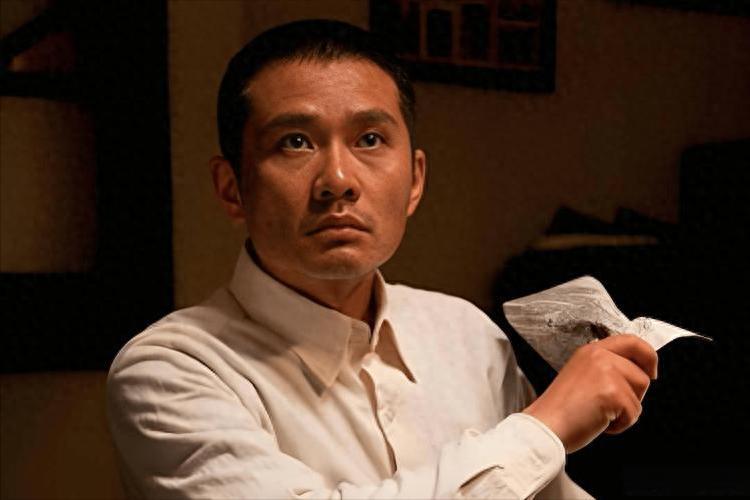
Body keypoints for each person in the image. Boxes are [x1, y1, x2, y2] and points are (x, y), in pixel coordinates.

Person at [107, 19, 658, 499]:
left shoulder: (468, 335)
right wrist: (544, 427)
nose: (337, 180)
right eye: (295, 142)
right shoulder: (168, 371)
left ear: (414, 181)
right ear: (232, 189)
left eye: (369, 139)